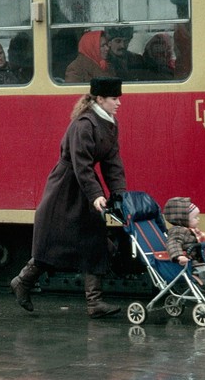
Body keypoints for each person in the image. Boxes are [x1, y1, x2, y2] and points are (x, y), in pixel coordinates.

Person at [11, 77, 126, 318]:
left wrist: (119, 193)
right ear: (100, 99)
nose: (118, 103)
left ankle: (94, 303)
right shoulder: (85, 124)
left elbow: (112, 163)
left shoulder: (108, 123)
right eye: (114, 99)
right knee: (54, 242)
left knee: (96, 238)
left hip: (83, 186)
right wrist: (96, 195)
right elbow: (81, 164)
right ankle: (23, 281)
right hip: (65, 187)